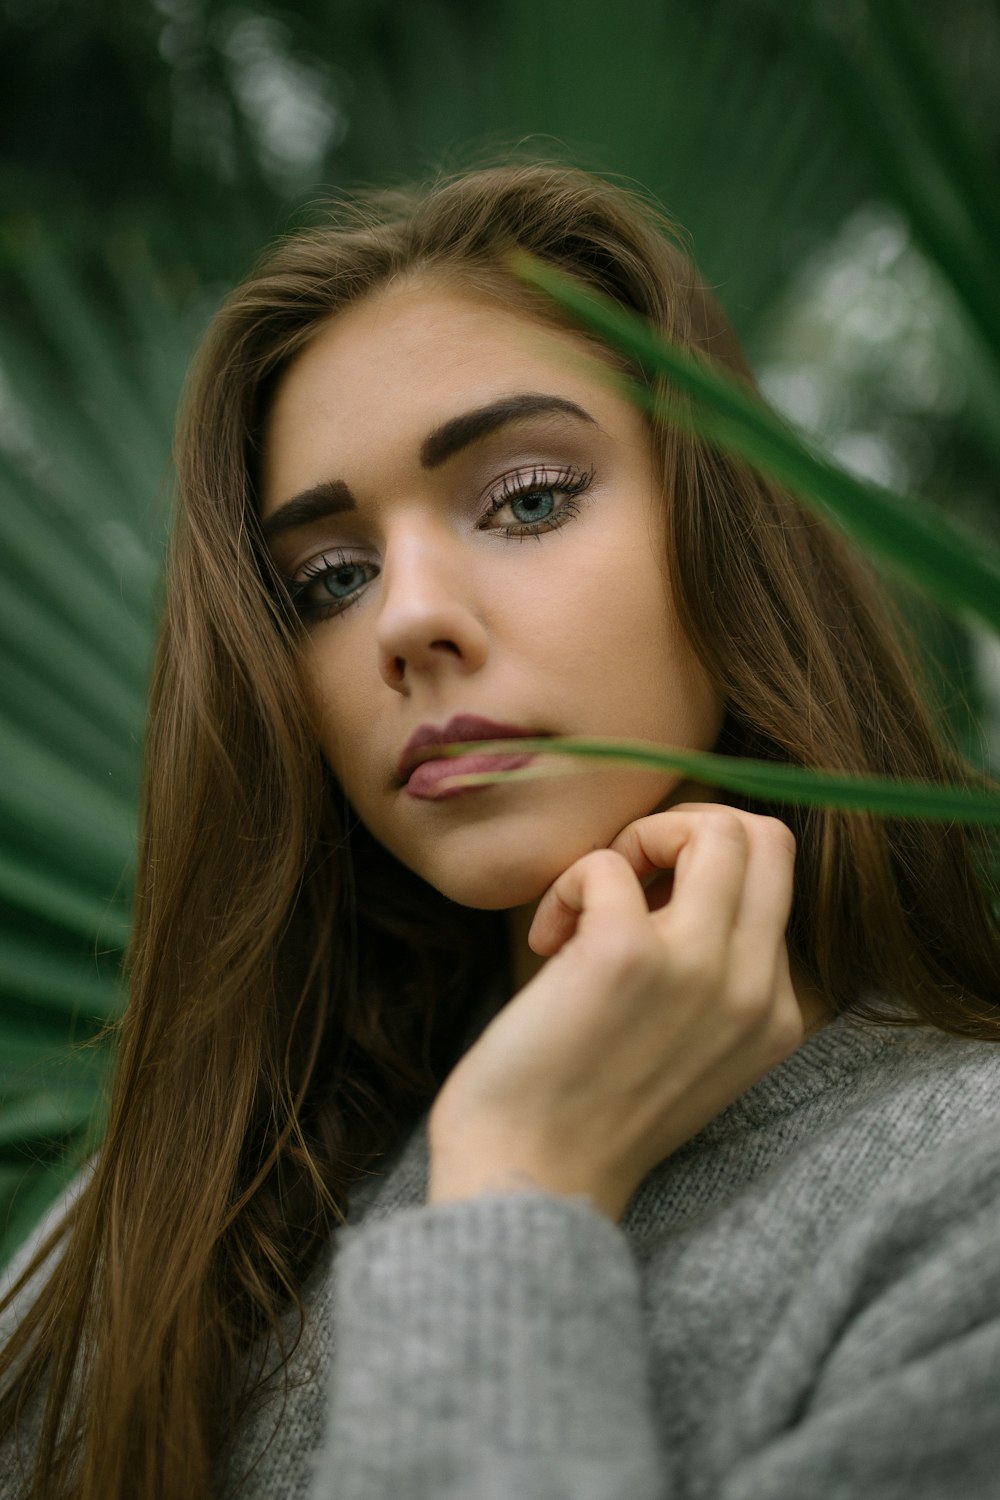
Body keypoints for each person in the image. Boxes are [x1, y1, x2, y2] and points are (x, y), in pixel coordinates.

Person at [2, 162, 999, 1500]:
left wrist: (518, 1181)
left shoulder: (963, 1190)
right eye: (331, 579)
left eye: (526, 498)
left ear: (726, 536)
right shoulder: (177, 1206)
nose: (406, 619)